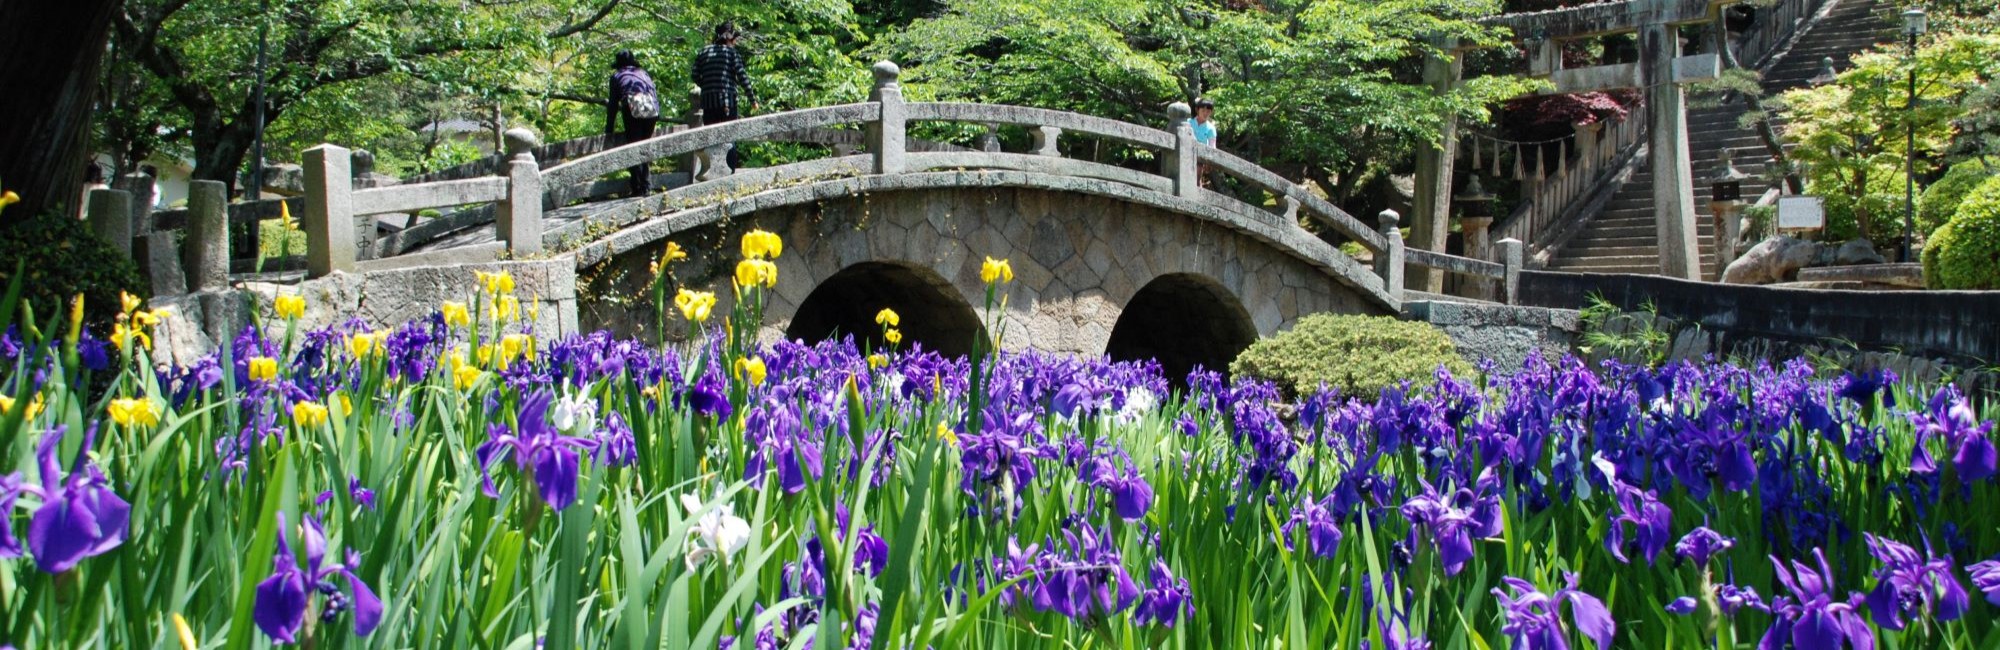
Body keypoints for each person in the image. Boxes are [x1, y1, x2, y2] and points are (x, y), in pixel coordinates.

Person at [692, 22, 759, 168]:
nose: (735, 42)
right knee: (729, 138)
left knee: (712, 138)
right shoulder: (731, 53)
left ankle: (713, 172)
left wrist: (707, 85)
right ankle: (730, 171)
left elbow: (695, 75)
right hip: (727, 102)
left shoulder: (703, 52)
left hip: (708, 104)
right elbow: (742, 77)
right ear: (728, 38)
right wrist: (752, 100)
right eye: (734, 39)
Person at [606, 50, 661, 196]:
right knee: (644, 147)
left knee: (634, 148)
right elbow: (653, 93)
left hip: (633, 107)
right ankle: (646, 186)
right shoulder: (643, 73)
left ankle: (638, 188)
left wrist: (609, 129)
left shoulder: (617, 76)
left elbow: (612, 105)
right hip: (651, 109)